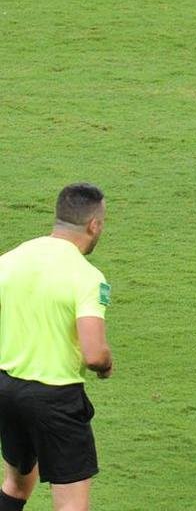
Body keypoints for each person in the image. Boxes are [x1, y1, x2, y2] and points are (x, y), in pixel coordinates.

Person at [0, 183, 113, 511]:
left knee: (17, 483)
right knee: (71, 505)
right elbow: (93, 354)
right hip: (56, 399)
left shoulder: (12, 258)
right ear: (94, 225)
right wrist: (106, 363)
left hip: (7, 390)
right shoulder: (87, 277)